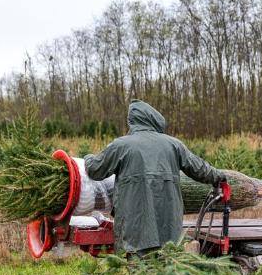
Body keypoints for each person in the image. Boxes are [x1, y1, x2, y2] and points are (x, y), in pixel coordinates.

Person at [84, 99, 226, 257]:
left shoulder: (121, 145)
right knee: (166, 268)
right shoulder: (174, 145)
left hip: (134, 228)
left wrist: (88, 157)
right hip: (169, 228)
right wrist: (220, 177)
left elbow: (95, 170)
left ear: (133, 121)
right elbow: (200, 169)